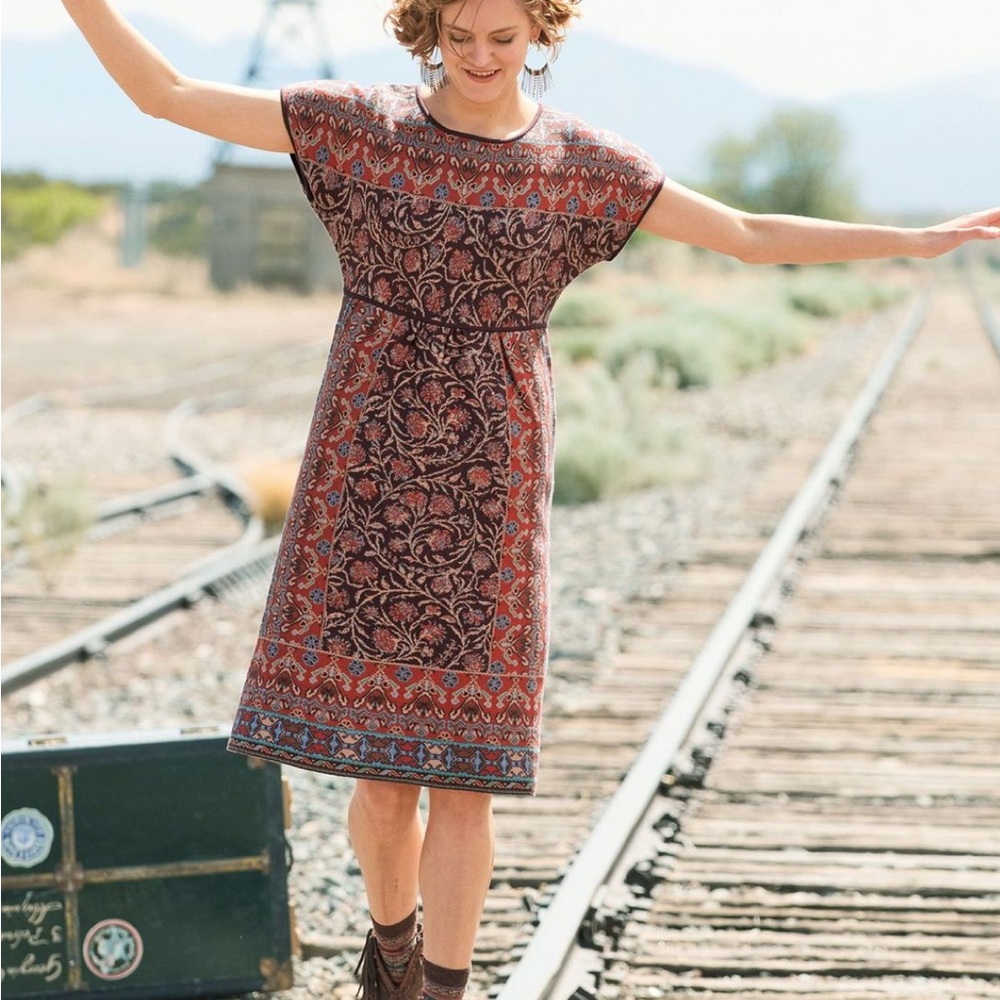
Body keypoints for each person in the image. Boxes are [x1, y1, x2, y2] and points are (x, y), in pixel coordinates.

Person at [62, 1, 999, 997]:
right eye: (458, 38)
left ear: (540, 34)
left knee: (467, 781)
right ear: (428, 30)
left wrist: (910, 238)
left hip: (493, 501)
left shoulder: (581, 166)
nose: (478, 59)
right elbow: (162, 95)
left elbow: (746, 234)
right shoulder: (361, 127)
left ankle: (446, 986)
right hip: (362, 484)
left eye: (501, 40)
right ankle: (390, 947)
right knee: (382, 784)